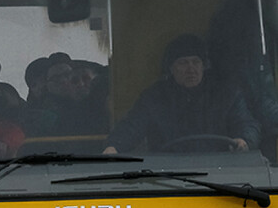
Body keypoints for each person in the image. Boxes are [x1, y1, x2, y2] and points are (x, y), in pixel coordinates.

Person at [104, 34, 260, 154]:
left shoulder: (226, 93)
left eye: (196, 62)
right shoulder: (154, 97)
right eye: (183, 62)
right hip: (167, 175)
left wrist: (244, 139)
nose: (190, 68)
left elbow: (246, 123)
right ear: (171, 69)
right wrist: (114, 146)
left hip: (220, 171)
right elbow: (132, 126)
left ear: (204, 66)